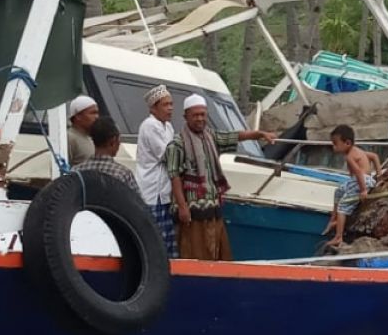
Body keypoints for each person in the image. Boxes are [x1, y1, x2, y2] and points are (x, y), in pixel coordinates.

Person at [165, 94, 276, 261]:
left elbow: (235, 136)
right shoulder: (176, 144)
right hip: (191, 212)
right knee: (193, 253)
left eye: (203, 114)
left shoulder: (211, 137)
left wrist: (259, 134)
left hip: (212, 210)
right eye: (195, 115)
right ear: (185, 116)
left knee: (215, 252)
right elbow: (174, 177)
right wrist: (182, 207)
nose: (200, 118)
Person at [136, 85, 178, 258]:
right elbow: (168, 155)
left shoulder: (168, 127)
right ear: (153, 108)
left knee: (167, 240)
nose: (170, 108)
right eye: (165, 104)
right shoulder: (150, 125)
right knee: (154, 240)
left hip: (164, 192)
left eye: (171, 104)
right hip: (151, 190)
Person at [327, 124, 381, 243]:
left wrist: (363, 190)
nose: (333, 147)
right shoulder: (358, 151)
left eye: (335, 144)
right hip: (363, 179)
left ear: (347, 143)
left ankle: (338, 236)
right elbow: (374, 156)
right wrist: (379, 173)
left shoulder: (350, 157)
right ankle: (334, 217)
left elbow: (358, 172)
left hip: (361, 181)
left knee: (342, 207)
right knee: (339, 191)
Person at [74, 116, 140, 196]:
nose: (119, 143)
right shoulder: (123, 174)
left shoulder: (77, 171)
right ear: (113, 141)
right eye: (119, 139)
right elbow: (138, 204)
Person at [66, 95, 99, 166]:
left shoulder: (91, 138)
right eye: (93, 113)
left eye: (97, 113)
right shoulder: (69, 138)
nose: (97, 117)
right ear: (78, 116)